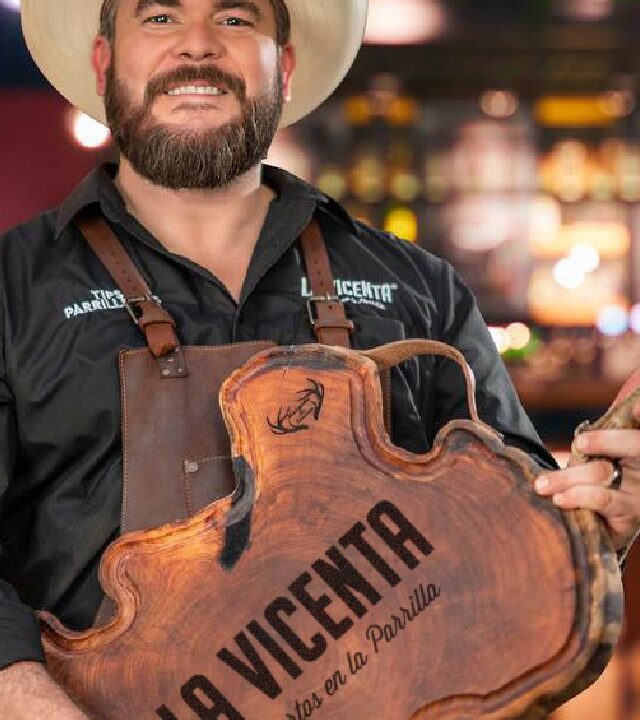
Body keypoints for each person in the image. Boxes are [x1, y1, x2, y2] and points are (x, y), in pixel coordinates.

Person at [1, 0, 639, 716]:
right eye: (159, 18)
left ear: (285, 67)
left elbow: (514, 557)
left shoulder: (419, 288)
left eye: (235, 19)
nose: (198, 46)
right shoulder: (13, 292)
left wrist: (594, 526)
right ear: (104, 63)